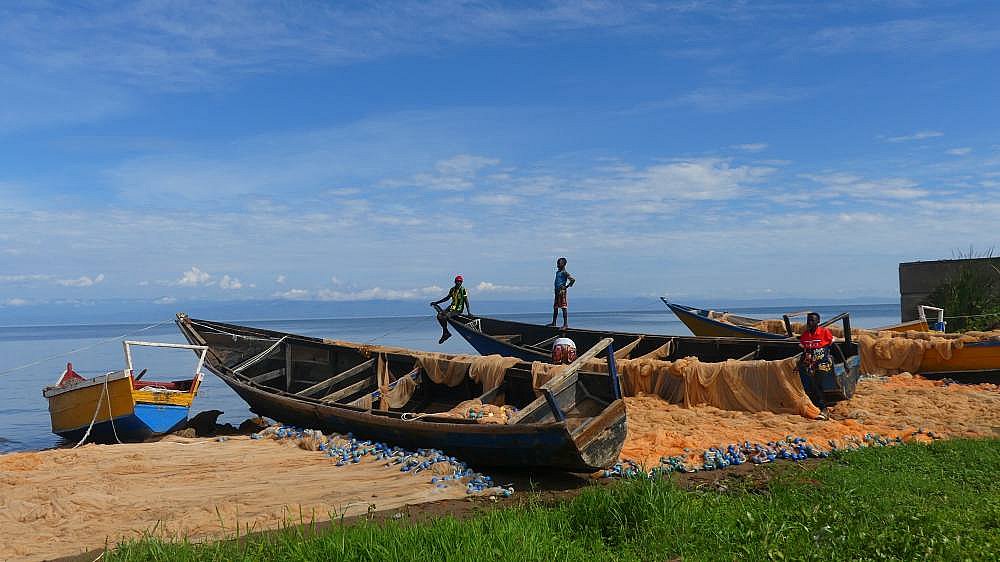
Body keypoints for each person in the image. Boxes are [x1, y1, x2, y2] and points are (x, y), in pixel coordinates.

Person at [798, 312, 834, 419]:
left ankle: (824, 409)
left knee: (817, 383)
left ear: (818, 321)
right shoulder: (805, 335)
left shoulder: (824, 332)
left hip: (823, 364)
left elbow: (832, 344)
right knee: (808, 385)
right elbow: (804, 350)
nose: (809, 322)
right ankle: (816, 407)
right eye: (808, 320)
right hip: (810, 365)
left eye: (812, 320)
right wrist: (800, 363)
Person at [431, 275, 472, 344]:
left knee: (445, 316)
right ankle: (446, 332)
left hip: (458, 309)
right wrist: (436, 302)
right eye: (457, 281)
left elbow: (466, 301)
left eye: (460, 281)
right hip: (451, 307)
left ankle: (445, 334)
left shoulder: (463, 290)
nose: (459, 283)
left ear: (461, 282)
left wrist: (469, 312)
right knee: (439, 316)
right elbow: (447, 298)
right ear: (455, 282)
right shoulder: (452, 289)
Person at [547, 257, 575, 329]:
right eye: (557, 263)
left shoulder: (564, 272)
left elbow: (572, 280)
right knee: (555, 307)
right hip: (557, 291)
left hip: (562, 291)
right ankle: (554, 322)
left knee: (563, 307)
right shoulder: (558, 272)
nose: (558, 265)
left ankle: (565, 324)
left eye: (559, 263)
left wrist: (566, 286)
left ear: (564, 264)